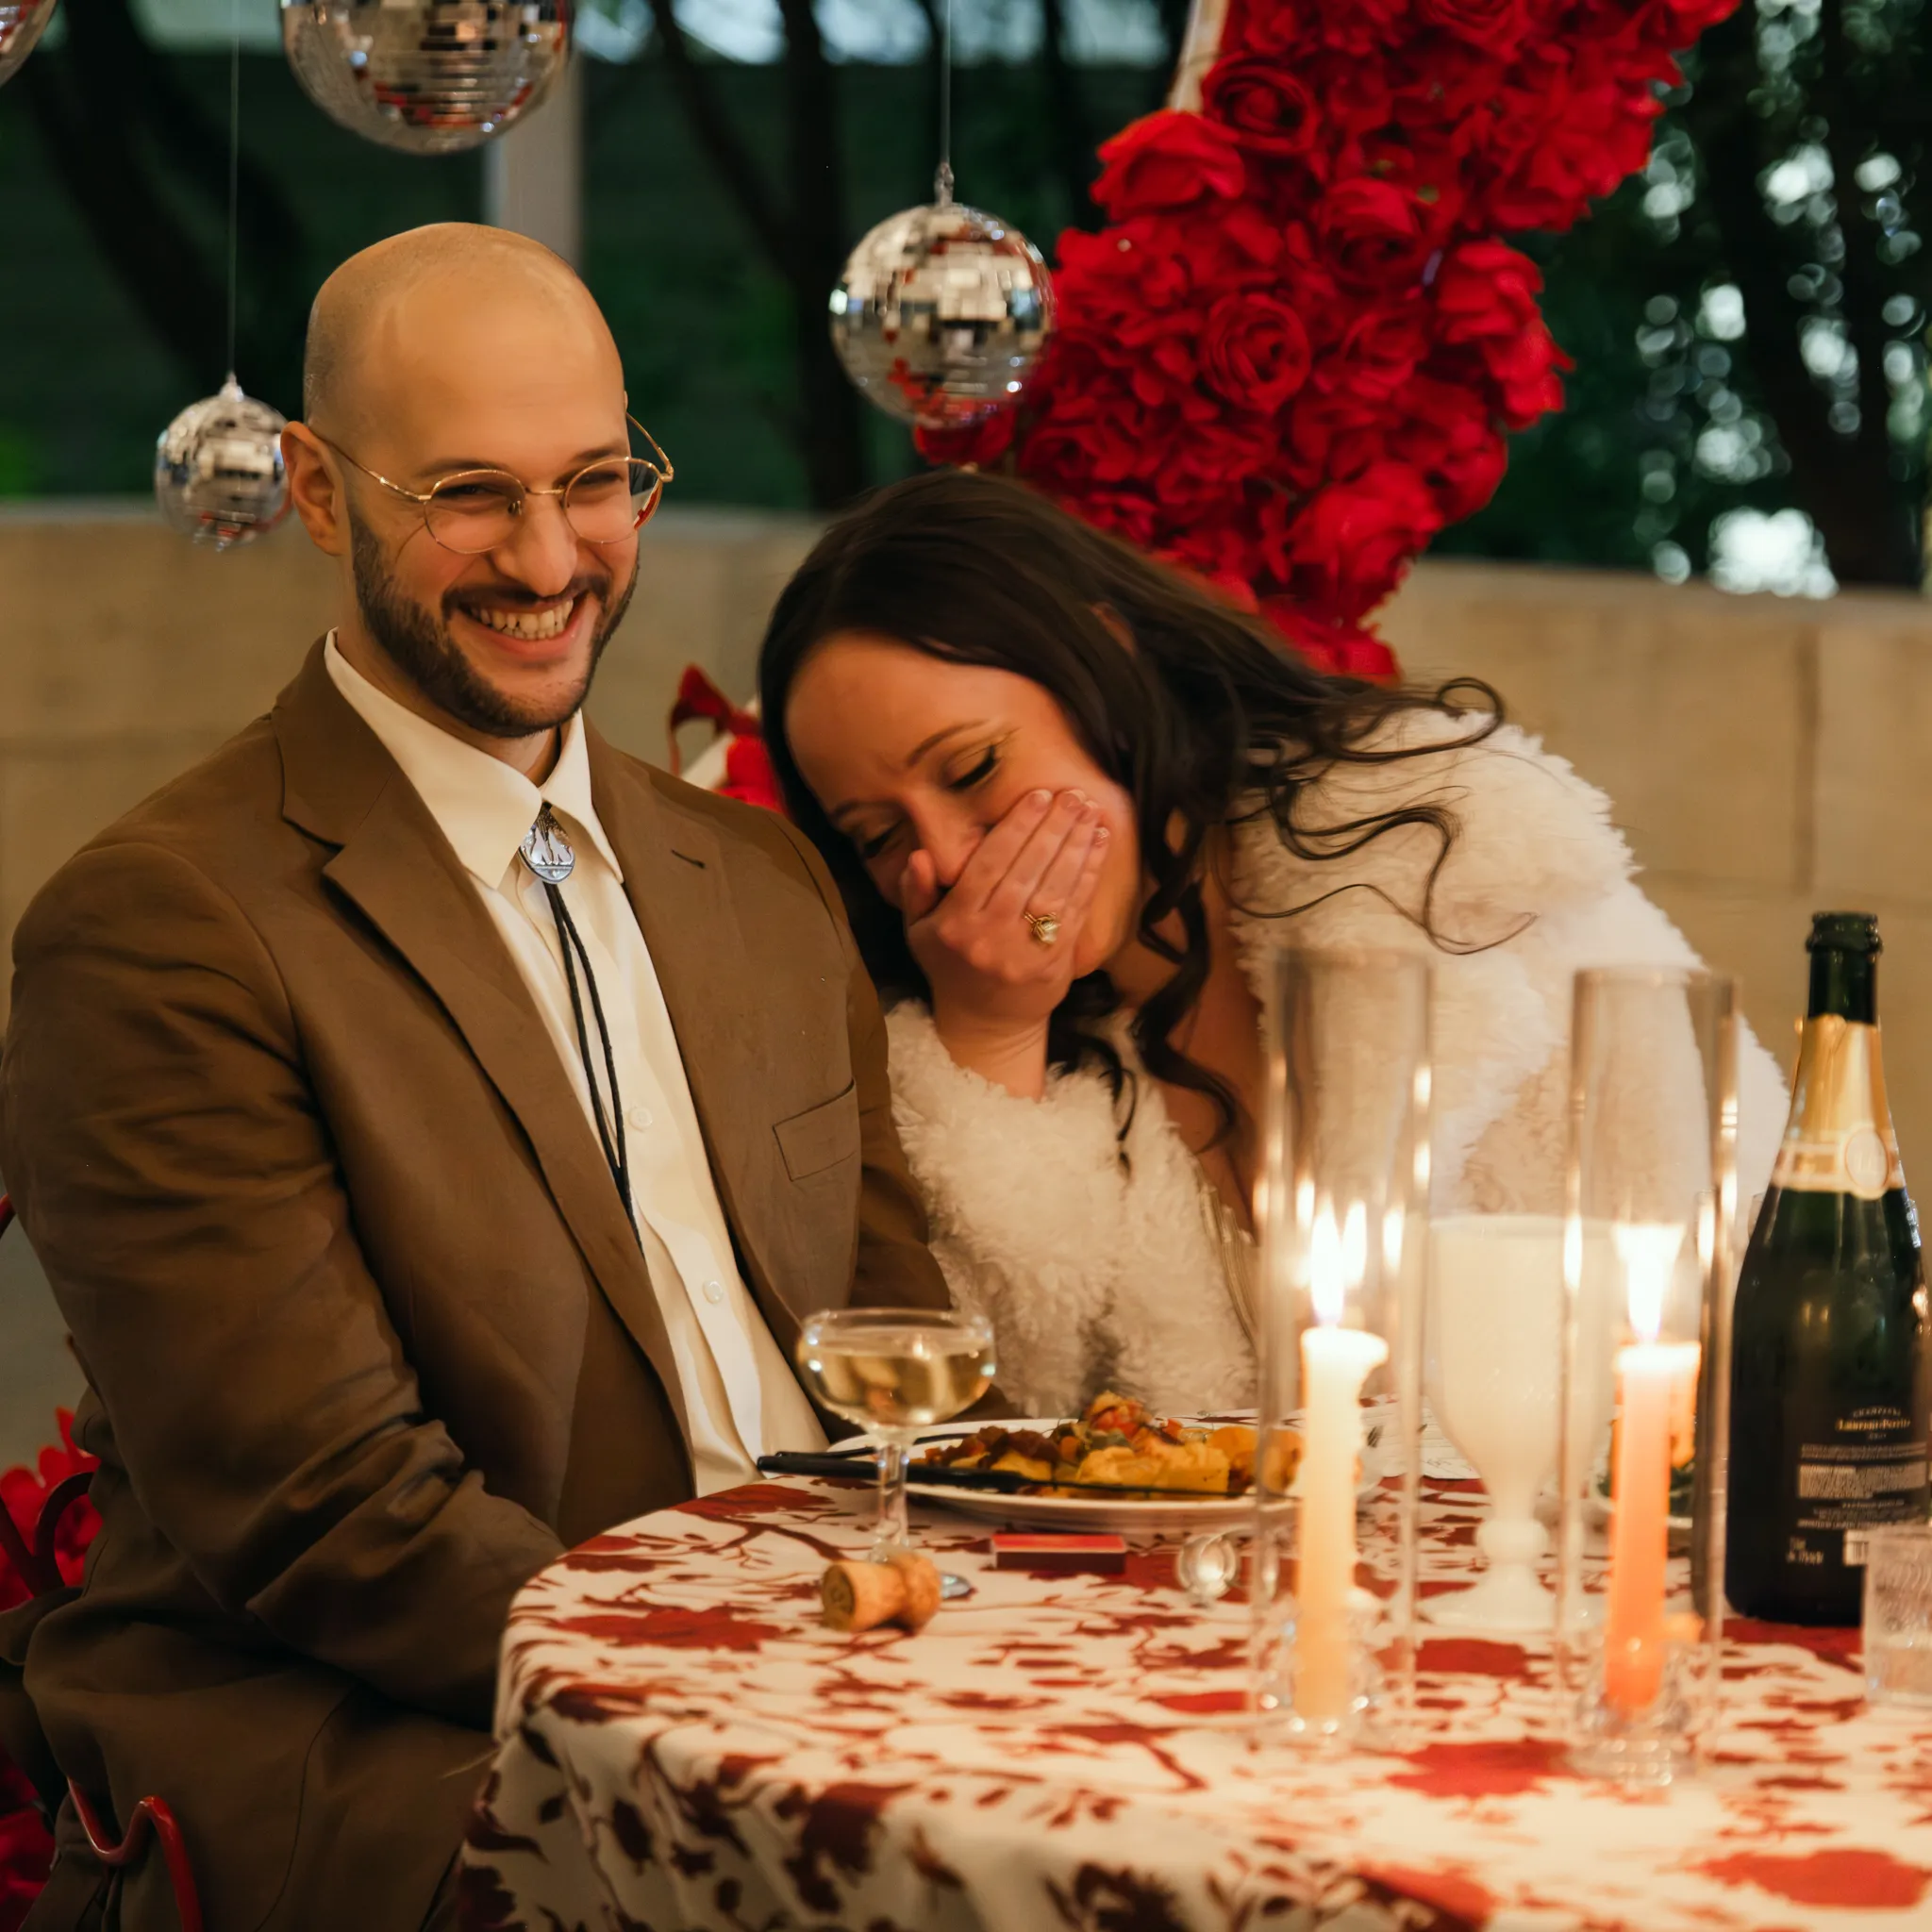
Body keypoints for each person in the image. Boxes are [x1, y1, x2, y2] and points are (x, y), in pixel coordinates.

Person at [0, 225, 950, 1932]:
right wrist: (747, 1678)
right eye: (465, 491)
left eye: (594, 480)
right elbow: (325, 1513)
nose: (548, 555)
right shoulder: (163, 926)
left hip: (834, 1672)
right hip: (395, 1747)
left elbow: (902, 1359)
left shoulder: (764, 877)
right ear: (311, 487)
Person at [758, 469, 1786, 1418]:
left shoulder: (1466, 865)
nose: (942, 861)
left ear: (1101, 667)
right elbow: (992, 1438)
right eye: (879, 837)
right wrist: (988, 1040)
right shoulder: (924, 1049)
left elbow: (1730, 1274)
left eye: (973, 767)